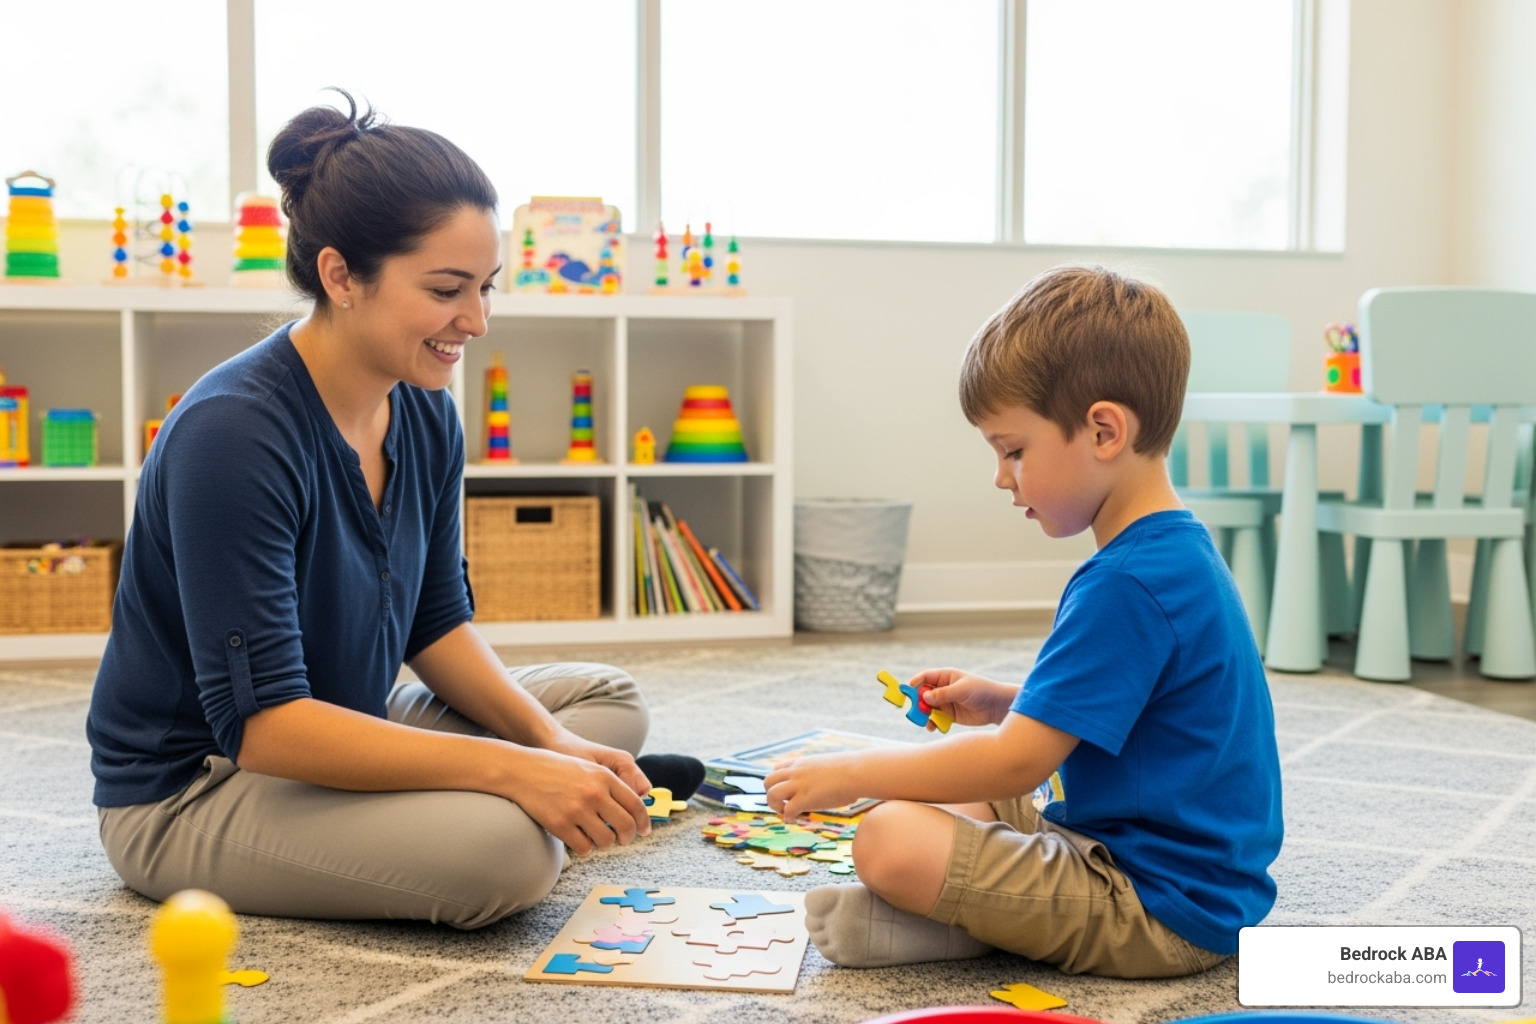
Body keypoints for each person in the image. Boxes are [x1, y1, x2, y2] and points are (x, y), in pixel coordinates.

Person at [87, 92, 700, 929]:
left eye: (486, 288)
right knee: (507, 856)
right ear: (341, 275)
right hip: (199, 785)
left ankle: (536, 782)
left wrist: (549, 746)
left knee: (606, 700)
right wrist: (513, 773)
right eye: (448, 289)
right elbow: (264, 729)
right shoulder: (233, 432)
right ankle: (514, 802)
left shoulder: (421, 406)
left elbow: (435, 622)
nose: (476, 321)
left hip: (346, 715)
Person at [766, 265, 1283, 978]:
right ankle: (960, 915)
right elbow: (1141, 712)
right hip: (1159, 855)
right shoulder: (1171, 552)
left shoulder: (1126, 582)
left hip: (1157, 909)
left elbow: (1018, 759)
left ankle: (962, 925)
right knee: (961, 787)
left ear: (1104, 430)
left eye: (1013, 451)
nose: (1002, 478)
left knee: (888, 835)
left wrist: (849, 773)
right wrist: (1015, 701)